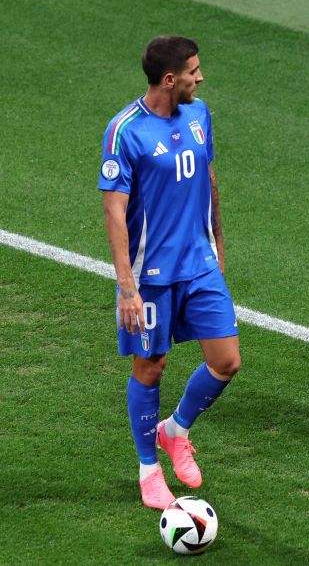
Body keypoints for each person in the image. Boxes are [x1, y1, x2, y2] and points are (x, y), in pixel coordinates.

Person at [98, 36, 241, 509]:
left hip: (199, 265)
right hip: (152, 275)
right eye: (194, 71)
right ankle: (148, 469)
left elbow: (208, 176)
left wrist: (219, 242)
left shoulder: (200, 116)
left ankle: (175, 430)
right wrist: (127, 289)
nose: (200, 78)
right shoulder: (125, 131)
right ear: (169, 79)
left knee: (227, 361)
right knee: (151, 366)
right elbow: (114, 212)